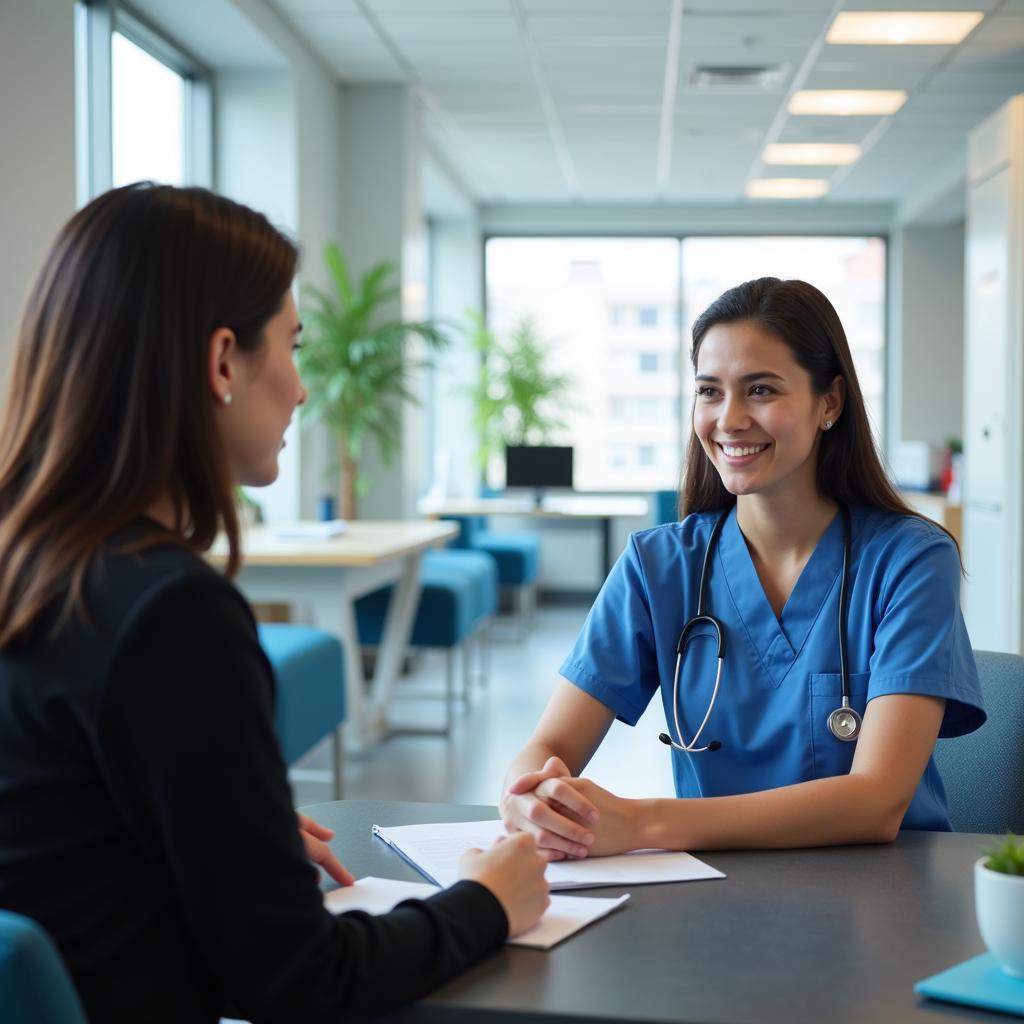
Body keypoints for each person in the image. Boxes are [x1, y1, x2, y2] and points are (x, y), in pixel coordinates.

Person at [0, 183, 548, 1024]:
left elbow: (53, 845)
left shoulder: (33, 570)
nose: (299, 389)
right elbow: (302, 982)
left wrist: (221, 834)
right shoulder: (170, 615)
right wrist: (486, 899)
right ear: (223, 361)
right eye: (291, 347)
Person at [501, 277, 985, 859]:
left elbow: (877, 800)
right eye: (709, 391)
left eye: (760, 390)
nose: (728, 419)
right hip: (713, 898)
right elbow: (549, 743)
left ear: (829, 402)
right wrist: (529, 795)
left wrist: (645, 823)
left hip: (881, 900)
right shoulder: (658, 567)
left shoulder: (910, 560)